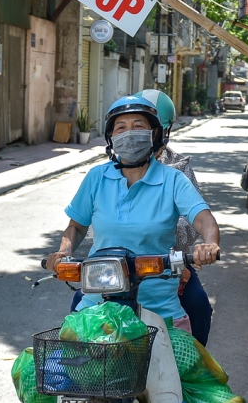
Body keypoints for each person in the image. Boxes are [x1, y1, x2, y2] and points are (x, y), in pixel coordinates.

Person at [46, 95, 222, 334]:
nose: (129, 133)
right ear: (111, 137)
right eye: (121, 128)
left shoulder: (174, 179)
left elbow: (203, 218)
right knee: (64, 355)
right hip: (97, 305)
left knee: (192, 340)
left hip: (160, 311)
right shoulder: (96, 177)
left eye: (138, 126)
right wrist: (63, 252)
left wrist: (209, 243)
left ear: (154, 134)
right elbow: (76, 226)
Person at [138, 89, 214, 346]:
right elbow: (90, 224)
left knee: (199, 306)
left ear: (165, 130)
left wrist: (177, 256)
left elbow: (196, 219)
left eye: (149, 127)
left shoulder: (179, 168)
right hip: (117, 264)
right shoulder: (109, 171)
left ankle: (195, 364)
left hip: (170, 262)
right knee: (80, 308)